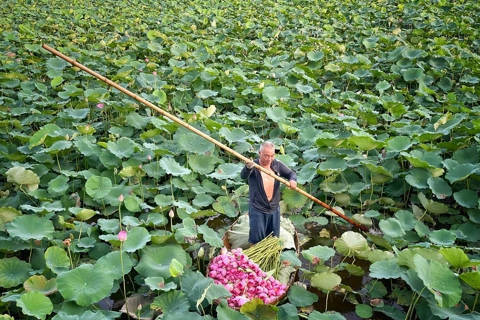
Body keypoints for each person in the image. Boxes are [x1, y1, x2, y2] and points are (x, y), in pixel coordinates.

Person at [240, 141, 297, 245]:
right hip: (258, 208)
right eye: (266, 156)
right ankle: (255, 258)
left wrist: (292, 180)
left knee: (273, 239)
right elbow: (243, 176)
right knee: (256, 240)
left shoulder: (277, 165)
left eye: (272, 156)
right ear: (259, 153)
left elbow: (291, 173)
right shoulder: (254, 166)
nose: (269, 159)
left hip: (274, 208)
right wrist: (248, 167)